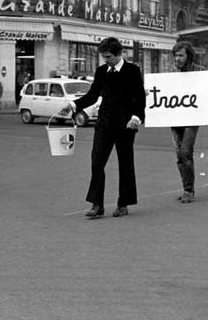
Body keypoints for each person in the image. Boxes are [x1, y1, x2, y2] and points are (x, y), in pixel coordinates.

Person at [59, 37, 146, 219]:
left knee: (126, 164)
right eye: (103, 57)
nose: (105, 60)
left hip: (126, 125)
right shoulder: (101, 72)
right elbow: (92, 95)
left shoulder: (132, 71)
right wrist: (74, 105)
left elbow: (140, 97)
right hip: (104, 124)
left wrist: (137, 117)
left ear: (119, 54)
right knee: (97, 163)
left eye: (108, 57)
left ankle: (123, 203)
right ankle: (97, 204)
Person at [171, 41, 203, 203]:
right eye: (176, 55)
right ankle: (186, 188)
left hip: (191, 117)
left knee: (185, 151)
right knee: (179, 154)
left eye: (181, 55)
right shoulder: (171, 74)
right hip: (175, 118)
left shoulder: (199, 72)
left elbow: (206, 92)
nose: (178, 59)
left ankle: (189, 190)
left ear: (189, 56)